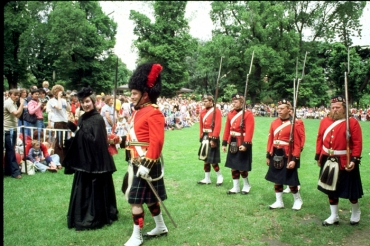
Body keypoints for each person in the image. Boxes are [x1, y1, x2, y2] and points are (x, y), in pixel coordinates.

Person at [122, 62, 168, 246]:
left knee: (135, 201)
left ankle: (137, 236)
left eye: (134, 93)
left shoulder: (154, 113)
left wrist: (146, 165)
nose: (131, 97)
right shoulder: (138, 112)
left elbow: (156, 142)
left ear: (145, 93)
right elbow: (134, 137)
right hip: (135, 161)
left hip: (146, 162)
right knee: (150, 199)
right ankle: (161, 227)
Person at [62, 86, 118, 231]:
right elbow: (81, 139)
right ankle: (81, 214)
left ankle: (96, 216)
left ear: (93, 102)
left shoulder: (98, 119)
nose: (85, 104)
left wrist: (76, 130)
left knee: (95, 189)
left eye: (87, 101)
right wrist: (74, 129)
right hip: (84, 162)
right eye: (82, 102)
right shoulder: (82, 118)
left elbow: (96, 142)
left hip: (96, 163)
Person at [315, 95, 363, 226]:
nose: (335, 110)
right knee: (330, 190)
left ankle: (356, 212)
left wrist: (354, 159)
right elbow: (320, 139)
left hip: (345, 160)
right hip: (328, 159)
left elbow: (357, 142)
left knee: (351, 191)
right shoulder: (325, 121)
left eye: (338, 107)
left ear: (344, 108)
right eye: (333, 107)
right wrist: (318, 155)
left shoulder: (352, 122)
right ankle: (334, 215)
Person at [265, 99, 304, 210]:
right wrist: (268, 155)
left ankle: (297, 200)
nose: (279, 110)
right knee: (277, 178)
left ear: (289, 110)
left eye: (282, 108)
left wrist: (294, 159)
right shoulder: (274, 123)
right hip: (276, 152)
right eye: (279, 108)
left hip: (288, 154)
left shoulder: (294, 124)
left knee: (290, 180)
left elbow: (297, 143)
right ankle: (279, 201)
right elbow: (270, 140)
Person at [222, 93, 255, 194]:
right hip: (232, 141)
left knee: (241, 167)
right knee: (233, 166)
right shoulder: (230, 113)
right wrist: (224, 143)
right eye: (233, 101)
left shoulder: (248, 114)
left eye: (236, 101)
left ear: (242, 102)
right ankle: (235, 187)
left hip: (242, 141)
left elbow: (249, 130)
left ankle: (246, 185)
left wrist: (246, 144)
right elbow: (227, 129)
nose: (234, 103)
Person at [197, 94, 224, 186]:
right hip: (205, 136)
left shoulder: (216, 111)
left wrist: (214, 138)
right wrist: (201, 136)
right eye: (203, 101)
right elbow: (201, 125)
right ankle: (207, 178)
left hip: (212, 136)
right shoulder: (202, 112)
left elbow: (218, 125)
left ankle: (219, 176)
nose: (204, 103)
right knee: (205, 158)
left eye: (206, 101)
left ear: (211, 101)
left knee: (213, 160)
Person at [283, 107, 305, 194]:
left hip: (295, 147)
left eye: (292, 111)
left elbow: (301, 135)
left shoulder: (298, 122)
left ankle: (295, 184)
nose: (290, 113)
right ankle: (288, 185)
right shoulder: (286, 122)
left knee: (294, 167)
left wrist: (301, 146)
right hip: (286, 148)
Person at [4, 89, 25, 179]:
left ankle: (8, 170)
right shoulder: (8, 103)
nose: (17, 96)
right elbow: (16, 114)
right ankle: (15, 172)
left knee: (10, 150)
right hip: (7, 130)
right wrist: (22, 104)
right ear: (9, 95)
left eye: (18, 95)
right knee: (11, 151)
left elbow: (18, 115)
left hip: (12, 129)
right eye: (15, 95)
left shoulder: (13, 103)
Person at [49, 84, 70, 162]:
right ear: (55, 92)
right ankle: (58, 159)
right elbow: (59, 107)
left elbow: (68, 109)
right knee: (59, 141)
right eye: (59, 91)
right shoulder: (52, 101)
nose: (61, 92)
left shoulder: (64, 100)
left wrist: (67, 99)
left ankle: (65, 158)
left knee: (66, 141)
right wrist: (59, 98)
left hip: (65, 121)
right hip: (58, 122)